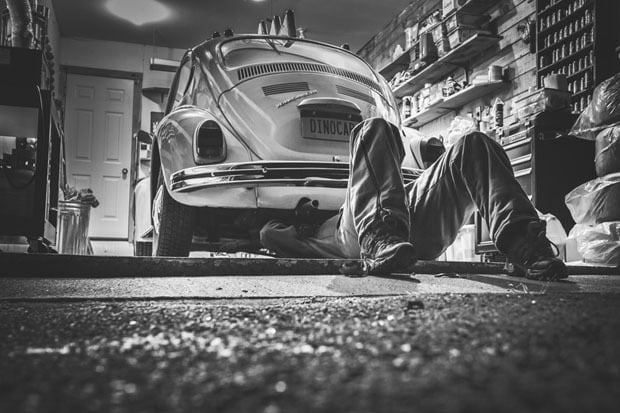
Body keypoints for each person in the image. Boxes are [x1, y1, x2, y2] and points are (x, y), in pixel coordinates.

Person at [259, 117, 567, 281]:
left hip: (410, 226)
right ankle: (380, 239)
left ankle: (525, 246)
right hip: (364, 240)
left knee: (474, 145)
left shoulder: (364, 192)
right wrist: (302, 219)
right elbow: (268, 232)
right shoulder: (310, 234)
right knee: (374, 128)